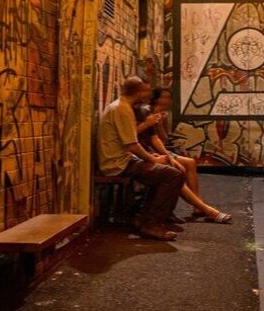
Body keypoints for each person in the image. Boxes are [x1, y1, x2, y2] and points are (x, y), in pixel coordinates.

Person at [98, 76, 185, 241]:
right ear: (138, 92)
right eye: (145, 90)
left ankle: (143, 218)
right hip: (118, 164)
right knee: (173, 175)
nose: (148, 94)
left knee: (167, 171)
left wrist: (154, 156)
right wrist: (153, 160)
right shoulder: (122, 109)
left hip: (124, 159)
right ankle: (151, 224)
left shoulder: (122, 107)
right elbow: (132, 144)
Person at [135, 87, 231, 223]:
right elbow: (133, 138)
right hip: (146, 152)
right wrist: (149, 124)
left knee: (190, 162)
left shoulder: (157, 113)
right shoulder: (143, 111)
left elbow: (161, 138)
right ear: (156, 98)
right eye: (164, 97)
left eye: (169, 97)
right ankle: (205, 208)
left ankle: (198, 205)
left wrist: (160, 124)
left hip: (153, 150)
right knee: (178, 170)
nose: (167, 100)